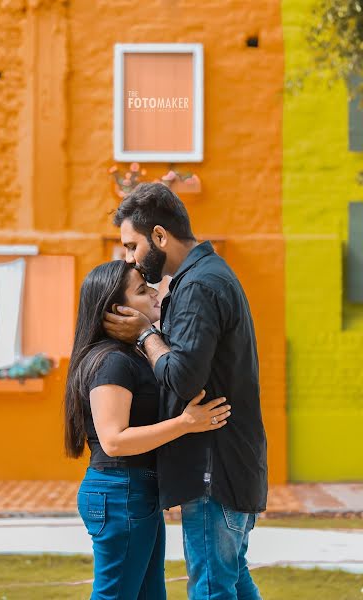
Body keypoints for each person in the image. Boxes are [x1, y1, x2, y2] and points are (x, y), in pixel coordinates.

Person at [103, 182, 267, 600]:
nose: (129, 259)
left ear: (159, 236)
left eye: (131, 246)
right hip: (232, 467)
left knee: (212, 589)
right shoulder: (209, 275)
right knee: (232, 582)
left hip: (215, 470)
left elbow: (183, 378)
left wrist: (145, 335)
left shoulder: (197, 286)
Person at [64, 259, 231, 600]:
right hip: (121, 491)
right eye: (142, 290)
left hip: (134, 492)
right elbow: (114, 441)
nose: (155, 293)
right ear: (118, 310)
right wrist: (186, 423)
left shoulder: (134, 354)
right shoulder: (112, 360)